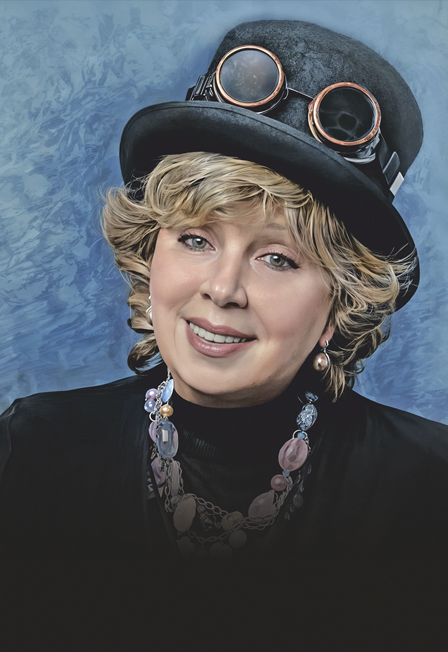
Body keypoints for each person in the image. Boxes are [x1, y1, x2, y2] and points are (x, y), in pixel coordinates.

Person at [1, 19, 447, 563]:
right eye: (196, 239)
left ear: (341, 304)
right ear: (150, 254)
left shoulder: (429, 488)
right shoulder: (31, 450)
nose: (222, 288)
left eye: (278, 259)